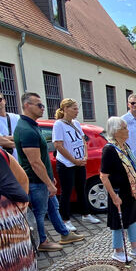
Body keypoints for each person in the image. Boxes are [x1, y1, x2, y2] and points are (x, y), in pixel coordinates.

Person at [14, 92, 84, 252]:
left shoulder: (32, 126)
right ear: (27, 106)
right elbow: (35, 162)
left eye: (42, 105)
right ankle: (42, 241)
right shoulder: (26, 129)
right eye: (39, 105)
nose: (42, 108)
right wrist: (48, 182)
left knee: (53, 207)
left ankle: (64, 234)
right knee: (40, 212)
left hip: (42, 179)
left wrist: (50, 178)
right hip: (35, 180)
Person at [100, 117, 136, 262]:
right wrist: (114, 196)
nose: (128, 130)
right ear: (116, 131)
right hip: (118, 192)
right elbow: (103, 176)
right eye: (124, 128)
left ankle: (134, 248)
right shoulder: (109, 149)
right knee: (118, 222)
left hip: (130, 190)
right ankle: (118, 251)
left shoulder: (124, 146)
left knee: (132, 218)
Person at [53, 98, 100, 232]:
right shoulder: (59, 125)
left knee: (81, 188)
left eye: (77, 108)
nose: (77, 111)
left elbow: (83, 140)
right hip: (67, 164)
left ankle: (86, 214)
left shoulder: (76, 123)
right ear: (65, 109)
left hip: (80, 162)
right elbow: (58, 145)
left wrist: (85, 156)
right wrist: (74, 160)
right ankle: (65, 219)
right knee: (66, 191)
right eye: (74, 108)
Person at [0, 88, 19, 159]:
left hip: (19, 160)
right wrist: (20, 144)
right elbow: (0, 141)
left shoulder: (16, 117)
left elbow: (25, 136)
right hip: (2, 161)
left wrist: (6, 137)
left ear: (4, 101)